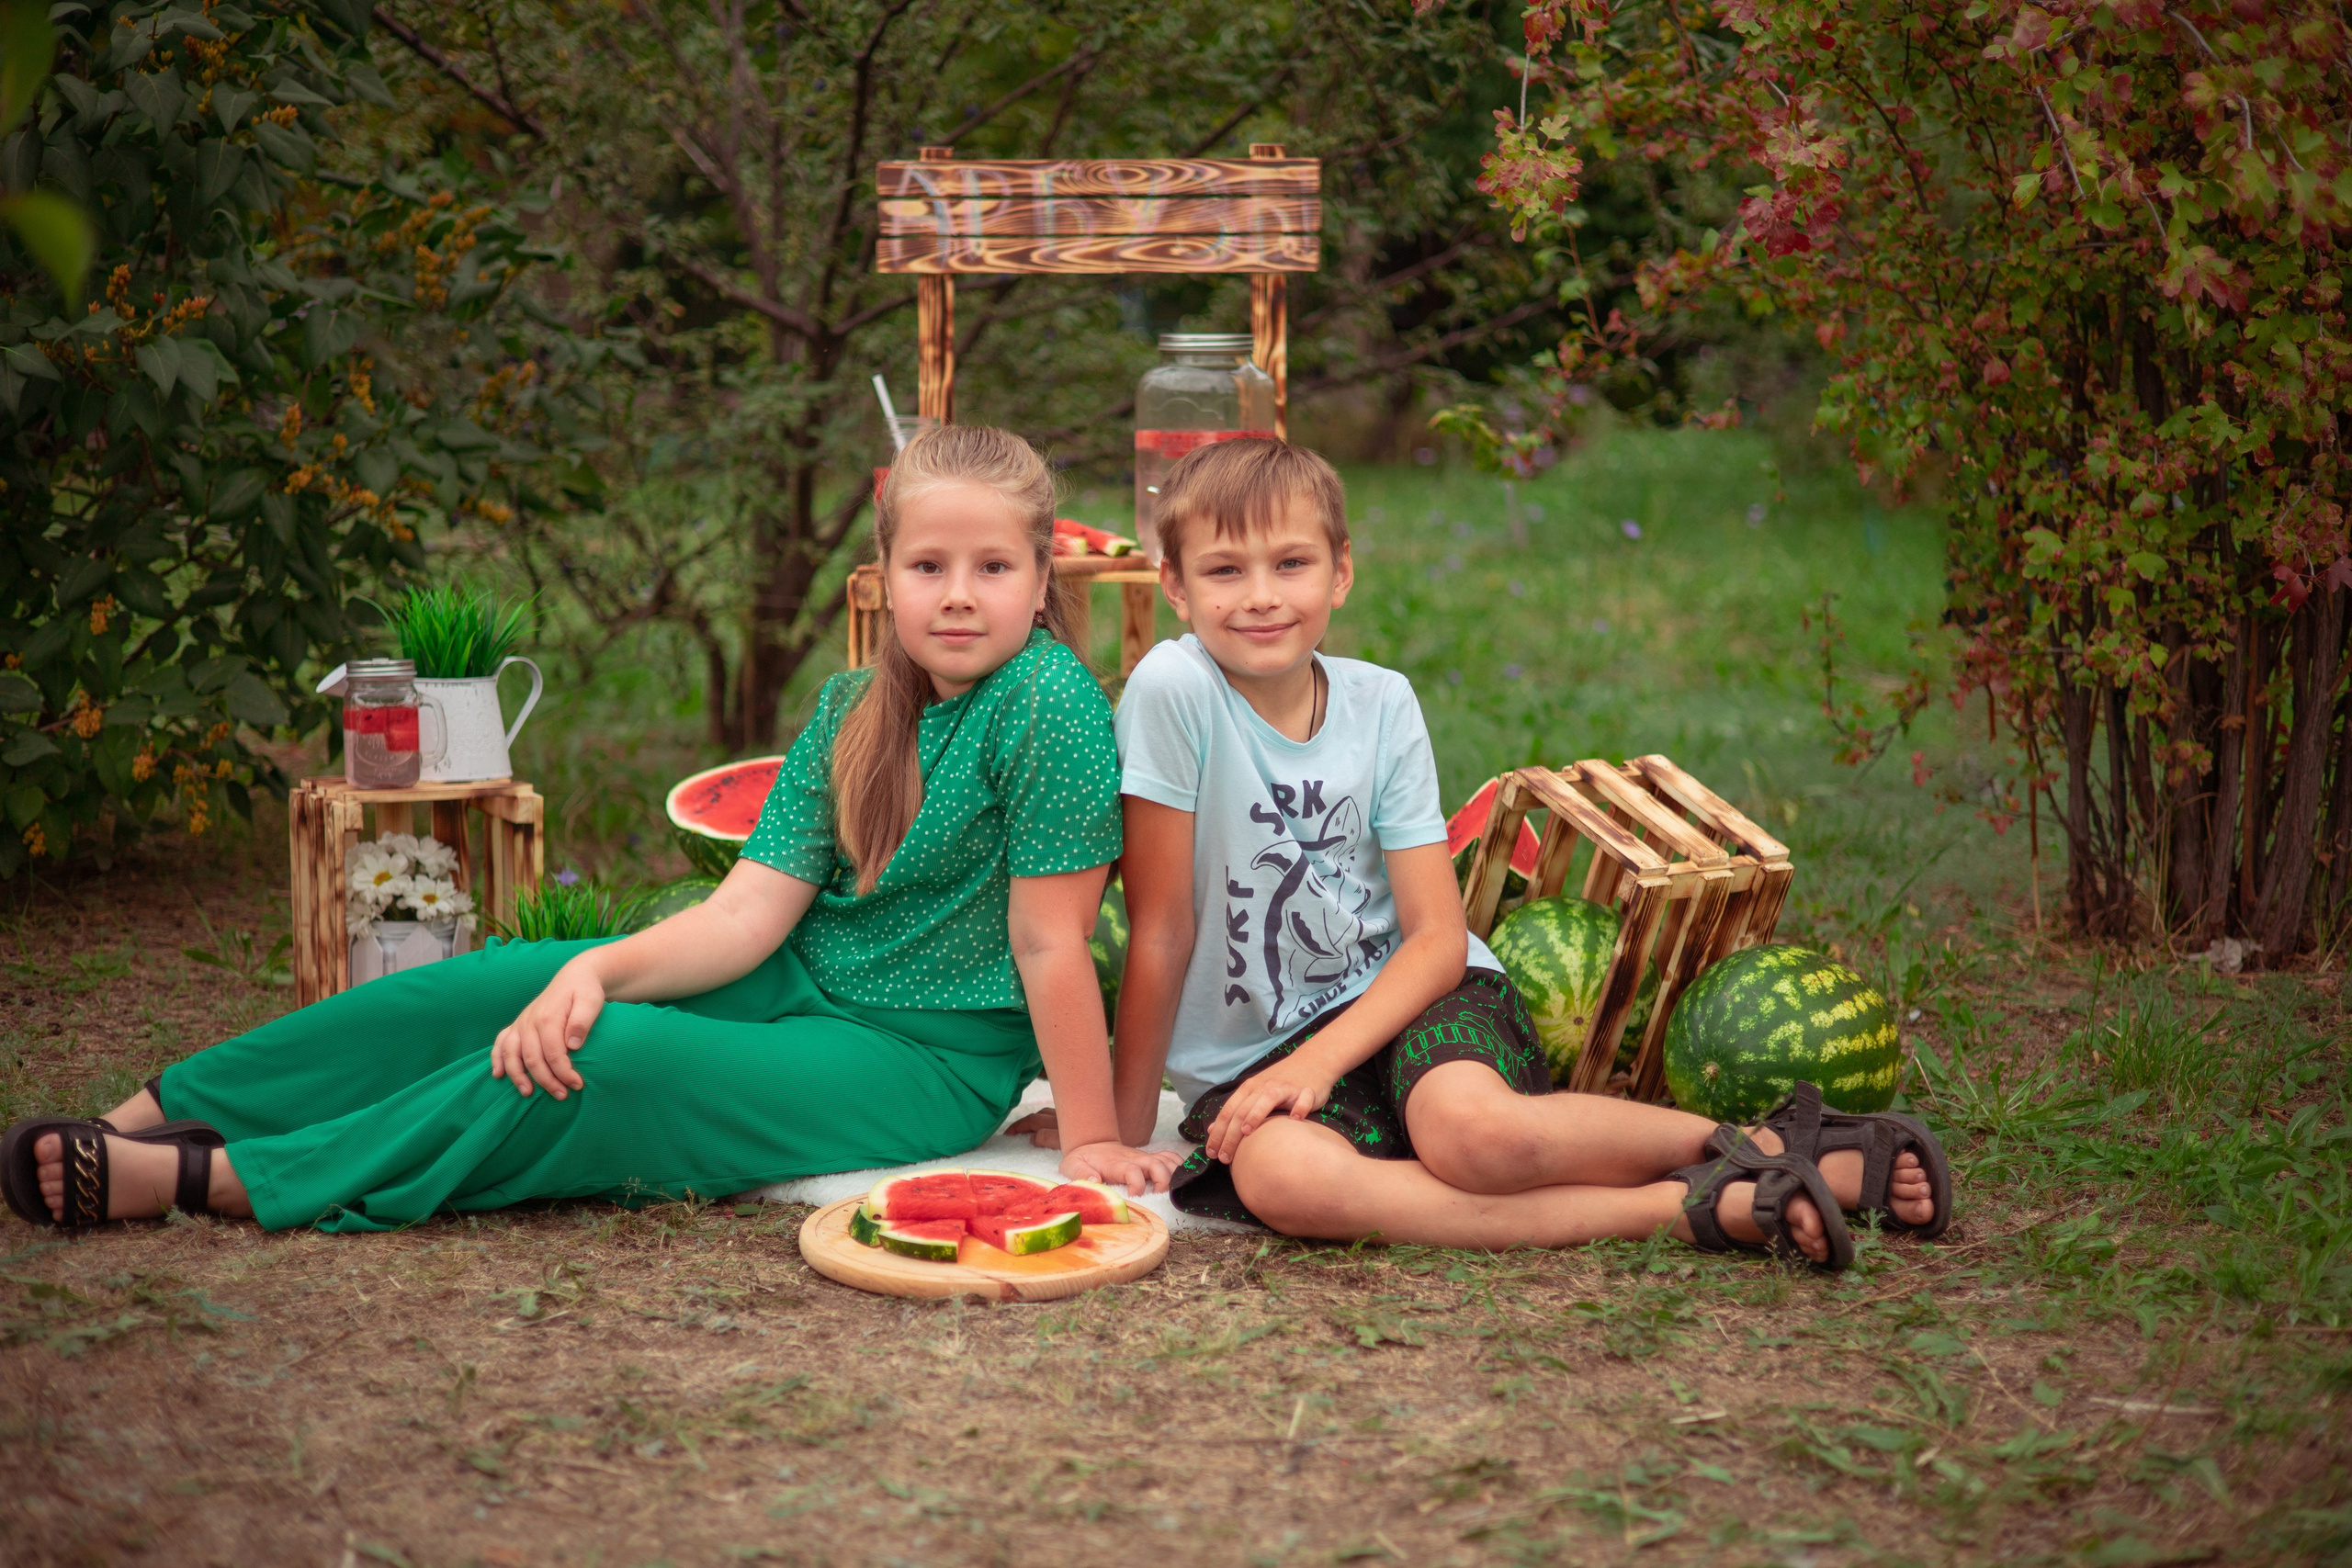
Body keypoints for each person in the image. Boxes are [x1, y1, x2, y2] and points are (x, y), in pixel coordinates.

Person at [3, 424, 1181, 1232]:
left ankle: (218, 1179)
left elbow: (1046, 946)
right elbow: (743, 914)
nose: (960, 593)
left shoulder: (1051, 706)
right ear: (882, 578)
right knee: (511, 981)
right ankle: (148, 1111)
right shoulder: (849, 708)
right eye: (930, 564)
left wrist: (1088, 1142)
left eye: (991, 566)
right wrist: (593, 967)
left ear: (1043, 580)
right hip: (792, 985)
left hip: (920, 1058)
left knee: (604, 1058)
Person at [1036, 437, 1949, 1269]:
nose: (1262, 595)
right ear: (1176, 586)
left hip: (1412, 997)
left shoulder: (1382, 703)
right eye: (1225, 571)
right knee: (1284, 1184)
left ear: (1342, 572)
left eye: (1292, 563)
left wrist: (1318, 1062)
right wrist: (1117, 1131)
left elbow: (1436, 936)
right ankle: (1696, 1208)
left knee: (1478, 1142)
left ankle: (1779, 1143)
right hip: (1250, 1060)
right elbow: (1161, 925)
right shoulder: (1175, 689)